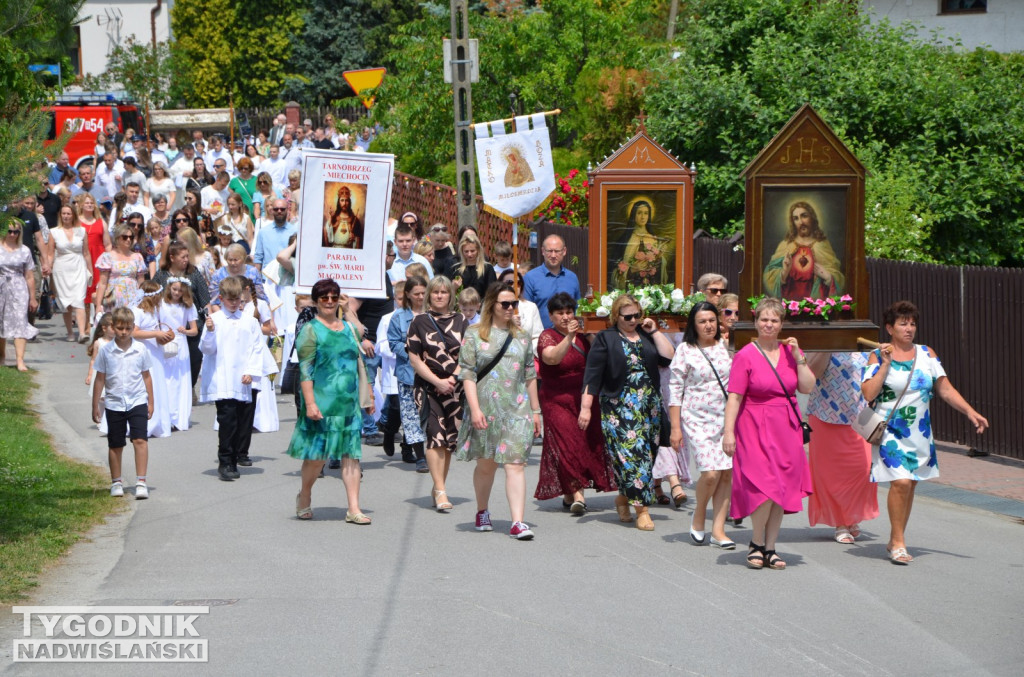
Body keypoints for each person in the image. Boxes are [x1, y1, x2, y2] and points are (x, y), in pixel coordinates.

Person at [861, 300, 988, 565]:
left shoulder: (927, 354)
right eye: (902, 324)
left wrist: (970, 411)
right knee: (901, 482)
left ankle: (896, 537)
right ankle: (898, 542)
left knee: (910, 486)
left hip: (919, 431)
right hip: (890, 430)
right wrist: (885, 365)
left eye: (912, 323)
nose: (909, 329)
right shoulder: (877, 355)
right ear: (889, 328)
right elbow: (868, 393)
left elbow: (944, 388)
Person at [722, 297, 814, 570]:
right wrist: (729, 433)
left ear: (782, 324)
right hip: (753, 424)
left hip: (786, 427)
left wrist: (800, 358)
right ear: (755, 322)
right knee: (763, 486)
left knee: (781, 488)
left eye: (774, 320)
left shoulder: (790, 353)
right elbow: (735, 398)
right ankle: (756, 542)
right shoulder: (745, 355)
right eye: (764, 319)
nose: (769, 324)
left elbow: (807, 387)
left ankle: (771, 547)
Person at [457, 283, 543, 541]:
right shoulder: (474, 335)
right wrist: (474, 409)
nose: (510, 308)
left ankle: (517, 521)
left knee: (516, 464)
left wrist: (536, 411)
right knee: (487, 465)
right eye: (504, 303)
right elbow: (468, 374)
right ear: (491, 305)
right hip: (486, 408)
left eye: (513, 303)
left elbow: (530, 375)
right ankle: (482, 511)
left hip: (517, 409)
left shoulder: (523, 336)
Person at [581, 295, 676, 530]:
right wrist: (585, 408)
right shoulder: (606, 338)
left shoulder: (645, 335)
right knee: (634, 458)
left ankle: (623, 498)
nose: (633, 320)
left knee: (647, 456)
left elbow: (669, 357)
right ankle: (642, 510)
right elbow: (592, 375)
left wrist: (654, 331)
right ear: (616, 316)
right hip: (619, 406)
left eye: (637, 315)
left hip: (649, 407)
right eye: (628, 317)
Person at [289, 279, 374, 523]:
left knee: (351, 454)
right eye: (324, 298)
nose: (329, 301)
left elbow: (360, 360)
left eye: (333, 297)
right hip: (321, 401)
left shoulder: (348, 328)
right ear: (315, 301)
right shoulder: (311, 330)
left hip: (347, 402)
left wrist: (368, 393)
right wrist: (311, 404)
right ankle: (304, 494)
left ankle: (354, 509)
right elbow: (305, 371)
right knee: (317, 458)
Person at [535, 292, 616, 514]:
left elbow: (599, 360)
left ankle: (569, 492)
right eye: (560, 313)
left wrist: (590, 334)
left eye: (569, 312)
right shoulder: (547, 336)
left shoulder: (584, 336)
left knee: (582, 443)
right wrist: (569, 337)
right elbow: (552, 358)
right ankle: (579, 494)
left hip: (584, 397)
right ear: (551, 316)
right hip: (556, 400)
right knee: (566, 443)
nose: (565, 316)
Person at [668, 301, 734, 547]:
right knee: (710, 473)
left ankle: (718, 530)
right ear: (693, 325)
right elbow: (675, 390)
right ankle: (699, 516)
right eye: (702, 321)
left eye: (711, 320)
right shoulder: (686, 350)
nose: (708, 325)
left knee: (726, 474)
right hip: (696, 418)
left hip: (726, 418)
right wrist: (675, 428)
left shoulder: (727, 347)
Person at [805, 351, 879, 544]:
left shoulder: (866, 344)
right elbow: (811, 375)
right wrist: (827, 345)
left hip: (860, 416)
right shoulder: (822, 342)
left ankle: (851, 515)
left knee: (864, 469)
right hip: (825, 414)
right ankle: (841, 522)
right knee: (830, 474)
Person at [200, 276, 265, 482]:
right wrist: (209, 332)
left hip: (244, 379)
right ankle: (225, 461)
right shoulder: (215, 321)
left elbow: (257, 348)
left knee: (243, 421)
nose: (235, 303)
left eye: (238, 300)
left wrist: (251, 371)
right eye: (230, 300)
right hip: (224, 379)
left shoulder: (250, 321)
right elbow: (207, 349)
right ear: (221, 298)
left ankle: (237, 455)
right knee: (227, 421)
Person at [407, 276, 467, 482]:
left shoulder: (462, 321)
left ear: (451, 295)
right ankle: (440, 489)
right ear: (429, 295)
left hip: (455, 388)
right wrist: (437, 381)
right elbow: (414, 359)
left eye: (444, 292)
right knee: (435, 436)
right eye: (435, 292)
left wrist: (452, 379)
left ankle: (439, 486)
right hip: (428, 387)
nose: (440, 295)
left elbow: (469, 355)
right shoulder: (419, 321)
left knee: (450, 438)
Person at [92, 307, 154, 499]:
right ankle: (116, 481)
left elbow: (147, 377)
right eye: (120, 328)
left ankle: (141, 481)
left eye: (128, 328)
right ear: (112, 327)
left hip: (137, 400)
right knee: (116, 444)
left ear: (133, 327)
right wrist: (95, 405)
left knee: (140, 440)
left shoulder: (140, 350)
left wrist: (151, 402)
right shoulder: (106, 351)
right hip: (114, 402)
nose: (124, 332)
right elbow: (100, 378)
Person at [387, 276, 429, 468]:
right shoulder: (399, 316)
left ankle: (406, 443)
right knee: (411, 414)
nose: (420, 297)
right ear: (408, 295)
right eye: (416, 294)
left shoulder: (433, 313)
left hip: (432, 372)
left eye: (423, 293)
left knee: (428, 414)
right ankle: (420, 455)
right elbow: (393, 343)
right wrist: (409, 351)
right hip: (408, 374)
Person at [763, 201, 844, 300]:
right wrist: (784, 272)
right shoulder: (786, 245)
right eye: (796, 218)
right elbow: (769, 274)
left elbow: (838, 276)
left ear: (812, 218)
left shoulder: (822, 244)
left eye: (804, 216)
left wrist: (828, 276)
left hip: (816, 306)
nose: (801, 222)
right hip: (789, 305)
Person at [130, 281, 173, 439]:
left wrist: (162, 336)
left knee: (157, 384)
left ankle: (157, 421)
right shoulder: (137, 311)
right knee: (146, 383)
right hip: (143, 352)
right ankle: (143, 422)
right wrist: (155, 334)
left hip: (155, 352)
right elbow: (134, 333)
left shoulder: (154, 311)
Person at [0, 221, 39, 371]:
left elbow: (29, 276)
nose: (12, 235)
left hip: (18, 287)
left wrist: (33, 297)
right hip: (1, 285)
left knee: (20, 322)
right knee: (1, 322)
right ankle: (1, 356)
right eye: (9, 231)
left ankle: (20, 360)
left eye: (15, 232)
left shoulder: (24, 250)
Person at [51, 204, 92, 342]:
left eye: (69, 213)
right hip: (61, 268)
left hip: (78, 266)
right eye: (64, 214)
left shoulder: (81, 231)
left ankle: (81, 333)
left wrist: (90, 270)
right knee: (66, 302)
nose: (66, 216)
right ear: (60, 215)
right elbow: (51, 253)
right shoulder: (54, 232)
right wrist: (47, 268)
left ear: (73, 215)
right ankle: (70, 332)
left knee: (79, 299)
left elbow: (86, 253)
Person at [523, 234, 580, 329]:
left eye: (557, 251)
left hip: (568, 335)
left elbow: (578, 309)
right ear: (542, 251)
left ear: (564, 251)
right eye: (549, 251)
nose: (553, 255)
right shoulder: (530, 278)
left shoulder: (572, 278)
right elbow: (526, 310)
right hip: (540, 337)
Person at [611, 199, 669, 289]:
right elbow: (614, 270)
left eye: (646, 213)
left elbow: (660, 270)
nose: (643, 217)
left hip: (649, 289)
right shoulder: (625, 240)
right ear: (634, 215)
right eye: (639, 213)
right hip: (630, 290)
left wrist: (660, 259)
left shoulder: (653, 239)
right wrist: (632, 269)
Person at [93, 224, 147, 313]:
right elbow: (102, 283)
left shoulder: (137, 257)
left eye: (131, 237)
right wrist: (98, 305)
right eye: (125, 237)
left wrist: (144, 301)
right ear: (117, 238)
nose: (128, 239)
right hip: (113, 298)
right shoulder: (107, 257)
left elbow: (141, 283)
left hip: (132, 296)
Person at [446, 231, 496, 298]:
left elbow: (492, 292)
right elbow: (448, 294)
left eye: (472, 251)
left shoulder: (487, 268)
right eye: (466, 251)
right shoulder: (456, 269)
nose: (469, 254)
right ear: (462, 251)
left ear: (478, 250)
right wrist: (453, 288)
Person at [252, 198, 296, 273]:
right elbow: (258, 258)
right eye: (276, 209)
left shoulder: (295, 231)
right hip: (267, 278)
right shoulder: (263, 232)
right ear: (272, 210)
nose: (279, 211)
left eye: (282, 209)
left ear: (287, 210)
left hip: (287, 277)